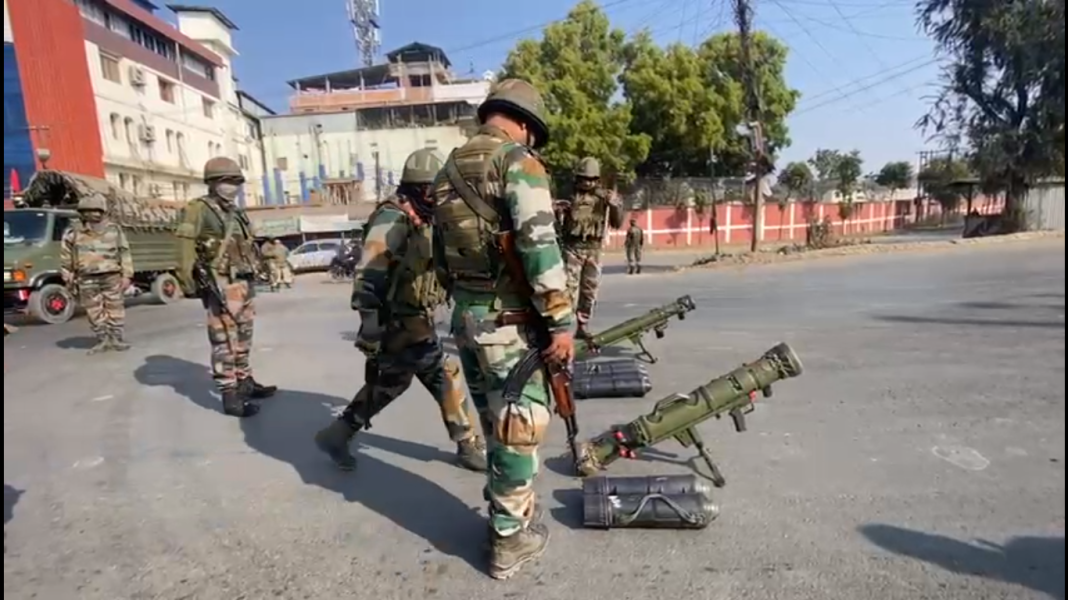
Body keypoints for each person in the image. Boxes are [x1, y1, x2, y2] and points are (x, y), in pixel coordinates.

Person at [431, 78, 574, 580]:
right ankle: (509, 540)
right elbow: (539, 247)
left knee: (496, 423)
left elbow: (439, 258)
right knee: (520, 428)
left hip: (468, 320)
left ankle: (504, 511)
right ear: (527, 125)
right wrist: (561, 321)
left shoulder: (446, 172)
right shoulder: (518, 163)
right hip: (509, 324)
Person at [314, 149, 488, 473]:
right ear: (421, 188)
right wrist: (369, 326)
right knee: (440, 376)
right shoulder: (393, 219)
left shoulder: (421, 218)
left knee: (393, 383)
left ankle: (337, 434)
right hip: (399, 322)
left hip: (415, 319)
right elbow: (368, 273)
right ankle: (465, 443)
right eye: (435, 189)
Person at [175, 157, 276, 418]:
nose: (231, 186)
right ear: (212, 183)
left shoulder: (237, 211)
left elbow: (248, 244)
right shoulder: (198, 209)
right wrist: (188, 281)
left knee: (244, 336)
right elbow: (185, 246)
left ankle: (245, 381)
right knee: (224, 340)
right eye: (225, 181)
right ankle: (229, 394)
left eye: (235, 181)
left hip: (243, 280)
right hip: (219, 281)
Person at [59, 193, 133, 354]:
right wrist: (68, 277)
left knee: (115, 307)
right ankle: (102, 339)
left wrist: (127, 275)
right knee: (93, 309)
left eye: (95, 210)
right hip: (86, 277)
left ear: (102, 211)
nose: (92, 214)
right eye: (87, 211)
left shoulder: (114, 230)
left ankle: (116, 338)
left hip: (111, 275)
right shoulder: (73, 232)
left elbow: (124, 252)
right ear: (82, 212)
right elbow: (66, 257)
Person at [557, 157, 623, 336]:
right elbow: (555, 223)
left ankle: (582, 325)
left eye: (591, 179)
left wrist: (615, 206)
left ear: (597, 180)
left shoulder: (605, 197)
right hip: (572, 247)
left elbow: (617, 223)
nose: (587, 183)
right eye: (583, 178)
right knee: (568, 289)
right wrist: (558, 210)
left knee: (589, 290)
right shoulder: (568, 195)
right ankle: (562, 328)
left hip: (594, 249)